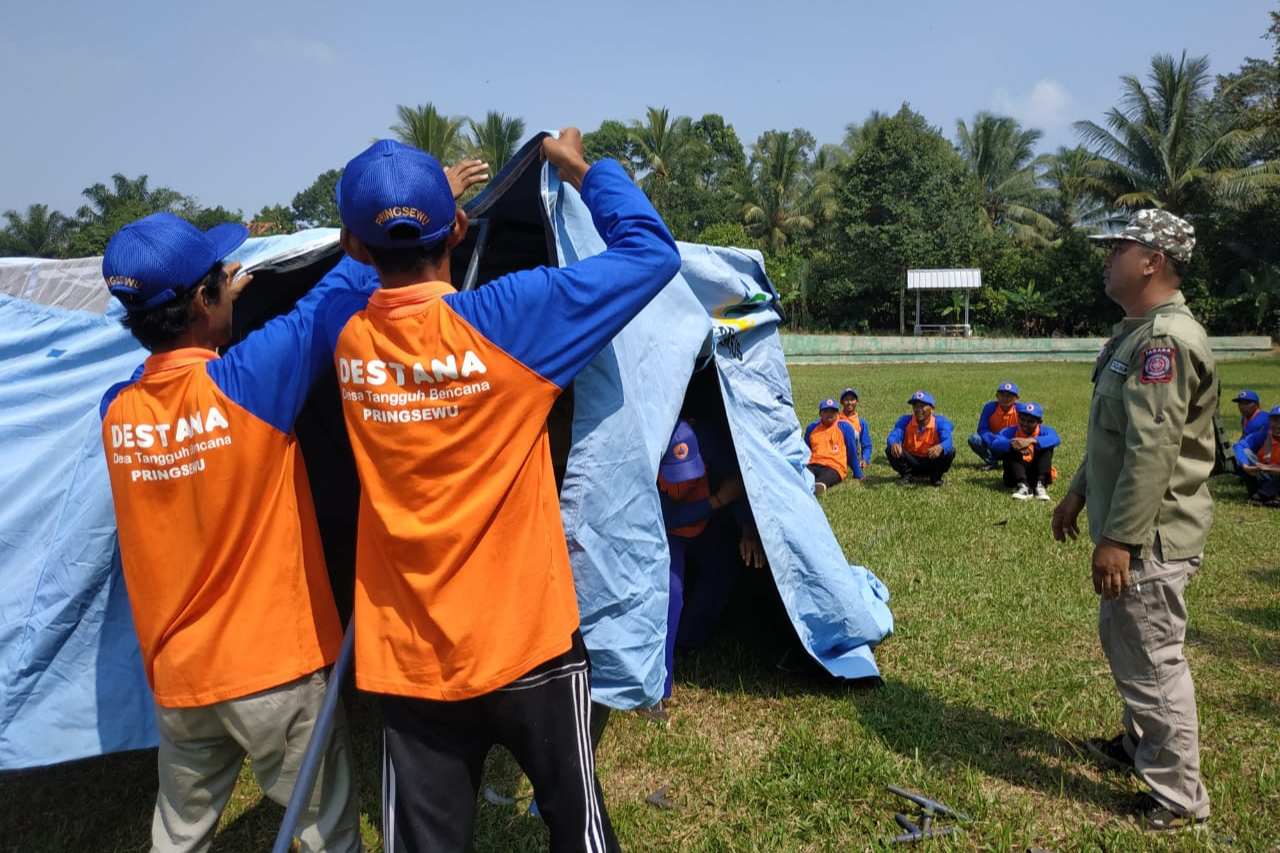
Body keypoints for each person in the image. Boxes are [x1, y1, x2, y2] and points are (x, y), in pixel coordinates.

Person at [317, 131, 681, 853]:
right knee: (579, 833)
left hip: (412, 658)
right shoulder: (512, 320)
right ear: (458, 229)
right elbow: (651, 254)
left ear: (356, 249)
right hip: (529, 643)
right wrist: (582, 169)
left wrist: (414, 207)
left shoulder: (344, 333)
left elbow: (352, 275)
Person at [98, 213, 370, 853]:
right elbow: (334, 295)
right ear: (201, 298)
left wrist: (210, 313)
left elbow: (174, 392)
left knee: (180, 832)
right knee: (325, 829)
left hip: (181, 677)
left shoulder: (115, 411)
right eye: (221, 276)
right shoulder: (248, 383)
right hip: (275, 667)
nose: (230, 278)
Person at [1052, 208, 1216, 832]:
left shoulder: (1164, 342)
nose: (1105, 258)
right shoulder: (1136, 331)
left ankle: (1178, 798)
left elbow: (1154, 451)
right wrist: (1076, 493)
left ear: (1152, 259)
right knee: (1129, 641)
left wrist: (1118, 538)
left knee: (1151, 656)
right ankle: (1139, 741)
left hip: (1148, 536)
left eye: (1116, 247)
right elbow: (1115, 436)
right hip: (1135, 527)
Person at [656, 419, 759, 708]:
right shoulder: (647, 456)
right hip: (669, 533)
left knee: (723, 571)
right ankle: (658, 687)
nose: (685, 480)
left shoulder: (712, 443)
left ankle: (687, 641)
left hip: (705, 527)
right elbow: (671, 517)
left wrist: (747, 527)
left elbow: (738, 486)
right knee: (671, 593)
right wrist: (717, 500)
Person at [990, 401, 1059, 500]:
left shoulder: (1044, 431)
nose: (1025, 424)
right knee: (1011, 448)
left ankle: (1040, 485)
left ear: (1039, 422)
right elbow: (995, 442)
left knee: (1047, 448)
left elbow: (1055, 439)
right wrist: (1015, 444)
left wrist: (1031, 441)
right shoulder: (1011, 431)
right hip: (1014, 475)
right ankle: (1023, 486)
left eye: (1030, 421)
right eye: (1022, 420)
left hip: (1035, 472)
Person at [885, 390, 955, 487]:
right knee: (890, 449)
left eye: (922, 406)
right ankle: (907, 475)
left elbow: (948, 440)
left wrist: (941, 447)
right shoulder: (905, 421)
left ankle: (935, 477)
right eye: (915, 405)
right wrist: (893, 444)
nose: (918, 409)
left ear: (932, 408)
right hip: (911, 461)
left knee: (950, 451)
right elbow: (893, 436)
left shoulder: (940, 422)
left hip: (931, 461)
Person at [804, 397, 862, 494]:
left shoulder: (845, 427)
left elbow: (852, 451)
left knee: (823, 480)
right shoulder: (812, 428)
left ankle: (817, 487)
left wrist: (858, 474)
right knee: (803, 476)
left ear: (838, 413)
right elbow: (805, 450)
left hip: (834, 466)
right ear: (820, 413)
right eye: (826, 411)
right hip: (813, 463)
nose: (829, 414)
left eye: (833, 411)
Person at [1233, 404, 1280, 507]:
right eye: (1275, 420)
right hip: (1264, 474)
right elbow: (1238, 445)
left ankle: (1260, 495)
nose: (1278, 425)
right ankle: (1271, 496)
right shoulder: (1265, 436)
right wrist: (1246, 466)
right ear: (1269, 421)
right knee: (1245, 453)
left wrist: (1275, 470)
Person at [967, 381, 1021, 469]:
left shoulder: (1021, 410)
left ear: (1016, 398)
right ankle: (991, 461)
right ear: (997, 396)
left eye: (1009, 395)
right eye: (1002, 394)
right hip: (994, 443)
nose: (1005, 398)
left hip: (1013, 446)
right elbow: (982, 429)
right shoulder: (990, 408)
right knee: (974, 439)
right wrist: (994, 439)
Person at [837, 388, 874, 473]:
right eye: (846, 400)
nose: (849, 402)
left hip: (852, 457)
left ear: (857, 402)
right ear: (841, 402)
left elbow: (867, 445)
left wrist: (865, 459)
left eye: (852, 399)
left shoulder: (861, 422)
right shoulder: (836, 420)